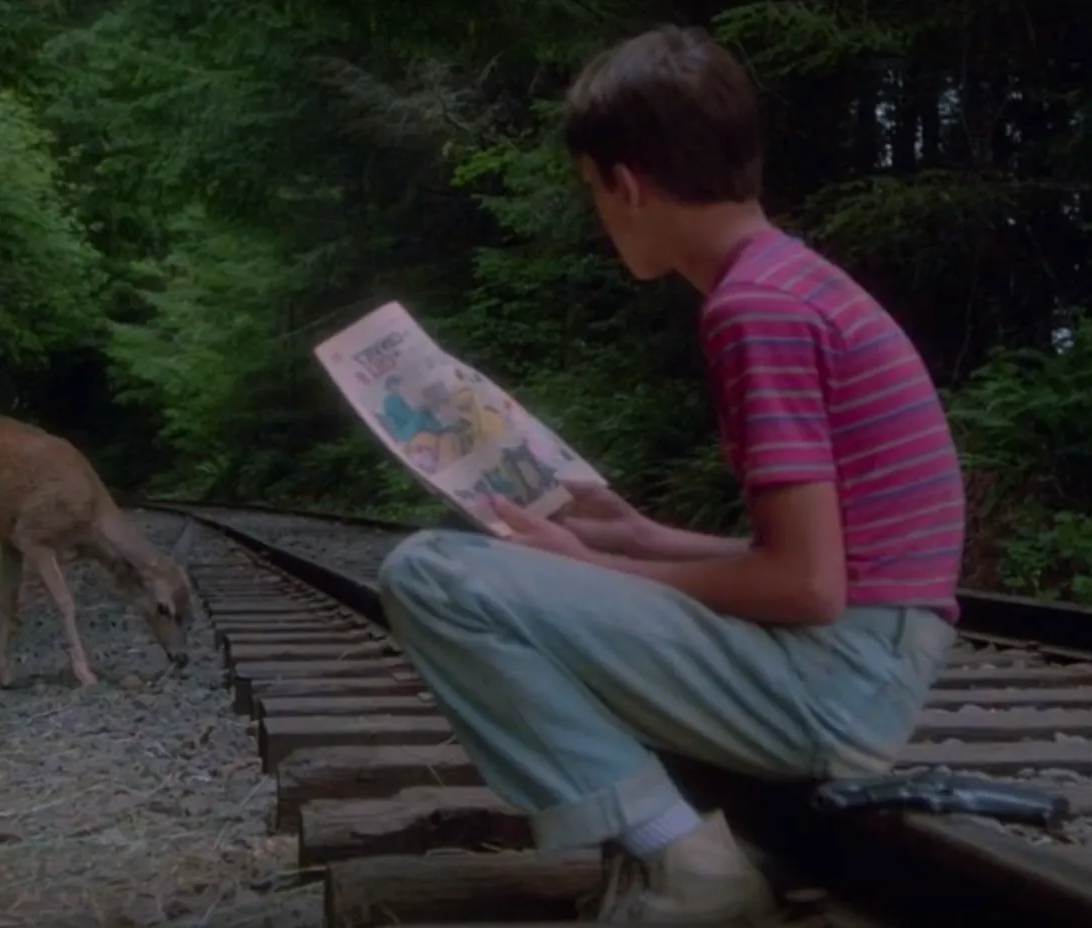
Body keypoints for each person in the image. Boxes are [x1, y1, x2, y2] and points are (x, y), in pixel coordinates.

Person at [376, 24, 967, 927]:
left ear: (627, 183)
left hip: (835, 687)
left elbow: (806, 587)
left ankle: (684, 860)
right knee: (493, 570)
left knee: (430, 574)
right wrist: (638, 536)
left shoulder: (753, 311)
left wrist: (588, 567)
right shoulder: (792, 282)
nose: (600, 211)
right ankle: (678, 845)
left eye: (591, 191)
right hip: (868, 664)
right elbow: (831, 565)